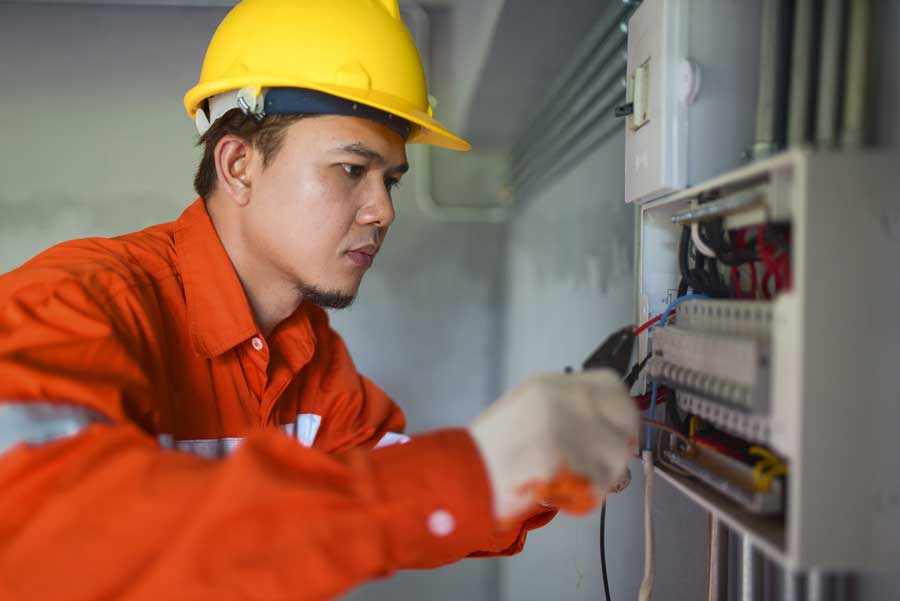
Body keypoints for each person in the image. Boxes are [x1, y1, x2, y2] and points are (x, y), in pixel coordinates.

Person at [0, 0, 638, 599]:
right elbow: (44, 538)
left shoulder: (307, 354)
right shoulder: (74, 304)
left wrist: (546, 462)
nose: (384, 209)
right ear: (239, 166)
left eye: (389, 179)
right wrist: (479, 471)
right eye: (351, 169)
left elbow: (395, 485)